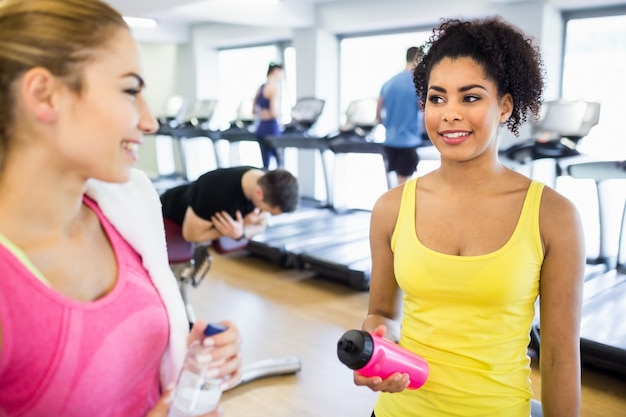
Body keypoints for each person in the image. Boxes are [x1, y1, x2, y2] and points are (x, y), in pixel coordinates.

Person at [0, 1, 241, 416]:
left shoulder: (126, 208)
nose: (148, 122)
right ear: (45, 94)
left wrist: (190, 354)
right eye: (130, 91)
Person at [354, 16, 584, 417]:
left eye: (471, 97)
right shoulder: (390, 208)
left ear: (505, 106)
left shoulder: (553, 216)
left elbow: (561, 359)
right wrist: (378, 344)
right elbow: (383, 313)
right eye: (437, 98)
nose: (449, 114)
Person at [160, 166, 299, 244]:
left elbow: (261, 226)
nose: (263, 213)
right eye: (265, 209)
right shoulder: (214, 191)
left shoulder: (267, 184)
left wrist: (242, 232)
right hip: (168, 213)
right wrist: (227, 232)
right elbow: (191, 235)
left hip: (201, 219)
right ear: (258, 193)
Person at [376, 47, 426, 186]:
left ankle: (394, 207)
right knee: (403, 186)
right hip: (408, 142)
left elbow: (378, 114)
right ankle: (399, 208)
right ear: (419, 60)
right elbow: (424, 112)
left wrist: (387, 125)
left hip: (390, 141)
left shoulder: (388, 83)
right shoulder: (417, 84)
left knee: (394, 184)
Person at [253, 63, 284, 169]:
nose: (281, 76)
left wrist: (263, 113)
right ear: (275, 71)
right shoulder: (273, 88)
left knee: (265, 164)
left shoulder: (260, 88)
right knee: (279, 161)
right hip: (271, 127)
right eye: (281, 73)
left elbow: (254, 110)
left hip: (261, 126)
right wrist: (291, 114)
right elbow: (274, 112)